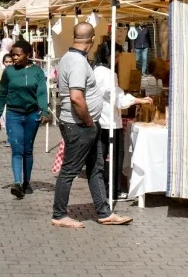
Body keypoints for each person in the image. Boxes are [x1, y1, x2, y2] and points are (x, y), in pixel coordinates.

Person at [51, 22, 132, 228]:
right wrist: (88, 121)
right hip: (79, 124)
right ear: (93, 40)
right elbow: (77, 97)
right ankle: (59, 214)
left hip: (85, 124)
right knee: (70, 169)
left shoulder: (69, 58)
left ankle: (104, 212)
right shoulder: (78, 62)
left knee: (96, 168)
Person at [93, 43, 152, 200]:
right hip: (110, 121)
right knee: (115, 156)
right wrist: (139, 100)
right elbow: (117, 99)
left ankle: (106, 188)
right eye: (116, 56)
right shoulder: (107, 74)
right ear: (108, 56)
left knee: (103, 156)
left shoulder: (95, 71)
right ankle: (113, 189)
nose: (118, 60)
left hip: (100, 119)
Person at [0, 41, 49, 198]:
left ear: (28, 55)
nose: (14, 57)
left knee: (28, 149)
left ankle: (27, 181)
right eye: (13, 55)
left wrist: (44, 110)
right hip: (13, 114)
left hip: (32, 115)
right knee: (17, 149)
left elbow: (42, 92)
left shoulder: (37, 72)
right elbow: (2, 94)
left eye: (18, 55)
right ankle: (17, 182)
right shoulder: (8, 72)